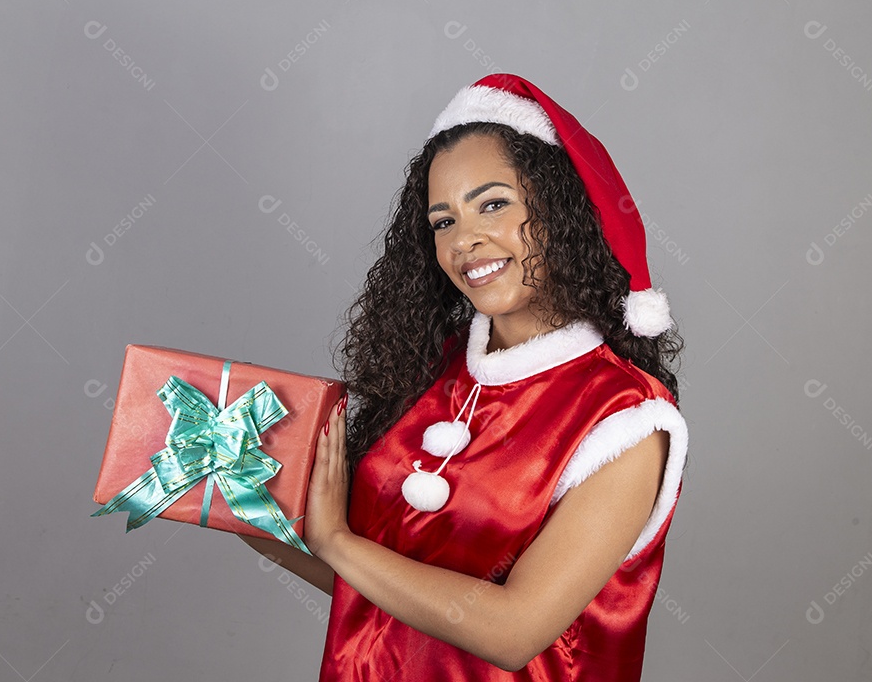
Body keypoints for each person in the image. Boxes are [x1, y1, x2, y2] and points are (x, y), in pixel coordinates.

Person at [242, 73, 689, 681]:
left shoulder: (626, 418)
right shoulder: (430, 371)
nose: (465, 240)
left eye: (494, 204)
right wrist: (244, 510)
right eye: (442, 221)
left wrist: (336, 541)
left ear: (560, 209)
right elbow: (375, 587)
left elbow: (513, 632)